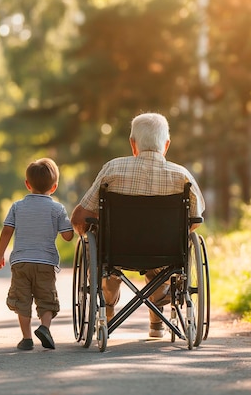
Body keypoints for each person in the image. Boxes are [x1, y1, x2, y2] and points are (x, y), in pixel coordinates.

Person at [70, 112, 205, 338]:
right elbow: (195, 220)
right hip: (166, 253)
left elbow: (81, 217)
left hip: (117, 251)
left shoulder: (113, 170)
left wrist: (85, 229)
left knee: (107, 259)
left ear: (133, 144)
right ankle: (157, 318)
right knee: (161, 266)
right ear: (166, 145)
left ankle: (108, 306)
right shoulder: (182, 176)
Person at [0, 158, 74, 350]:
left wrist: (0, 255)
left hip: (21, 262)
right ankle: (45, 328)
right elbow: (67, 236)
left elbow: (7, 231)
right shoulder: (57, 208)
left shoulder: (17, 207)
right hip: (45, 263)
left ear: (27, 184)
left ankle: (27, 338)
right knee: (46, 298)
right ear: (54, 187)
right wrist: (71, 226)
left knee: (22, 299)